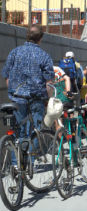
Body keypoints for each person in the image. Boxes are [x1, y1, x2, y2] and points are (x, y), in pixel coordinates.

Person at [1, 24, 54, 162]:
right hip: (37, 98)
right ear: (40, 38)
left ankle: (16, 163)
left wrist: (13, 93)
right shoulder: (44, 56)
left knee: (18, 131)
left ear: (27, 36)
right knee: (36, 130)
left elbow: (6, 76)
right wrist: (48, 99)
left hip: (17, 98)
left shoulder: (15, 52)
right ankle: (29, 160)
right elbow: (49, 82)